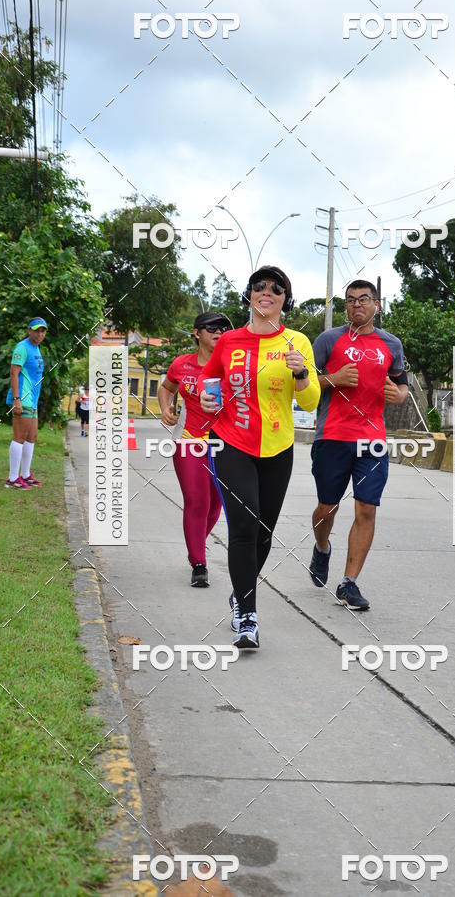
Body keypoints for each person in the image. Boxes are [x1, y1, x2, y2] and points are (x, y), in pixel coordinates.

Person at [198, 266, 320, 649]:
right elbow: (209, 378)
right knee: (245, 525)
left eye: (276, 288)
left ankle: (239, 592)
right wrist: (204, 395)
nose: (267, 292)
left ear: (286, 298)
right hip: (232, 442)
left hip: (278, 448)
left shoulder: (297, 341)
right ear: (249, 295)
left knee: (264, 531)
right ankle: (247, 616)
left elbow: (311, 400)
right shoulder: (229, 341)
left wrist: (300, 374)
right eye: (259, 287)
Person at [309, 279, 409, 610]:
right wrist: (332, 380)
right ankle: (322, 548)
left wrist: (399, 394)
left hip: (372, 439)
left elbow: (402, 385)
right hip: (332, 435)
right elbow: (304, 385)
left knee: (366, 508)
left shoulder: (391, 344)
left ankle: (348, 583)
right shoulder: (328, 340)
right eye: (350, 300)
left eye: (363, 299)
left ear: (376, 305)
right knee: (328, 507)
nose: (356, 305)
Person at [158, 312, 232, 587]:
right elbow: (166, 388)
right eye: (212, 327)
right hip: (189, 440)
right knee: (197, 501)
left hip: (225, 443)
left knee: (215, 506)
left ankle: (195, 545)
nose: (219, 331)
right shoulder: (182, 364)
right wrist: (165, 407)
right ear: (197, 333)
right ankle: (199, 564)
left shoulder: (232, 367)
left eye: (224, 328)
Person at [5, 317, 47, 489]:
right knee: (20, 437)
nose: (40, 333)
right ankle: (13, 478)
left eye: (43, 331)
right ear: (29, 330)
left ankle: (25, 474)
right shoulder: (22, 347)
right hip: (22, 398)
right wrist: (16, 400)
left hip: (33, 400)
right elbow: (14, 374)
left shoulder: (36, 348)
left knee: (32, 437)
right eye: (36, 330)